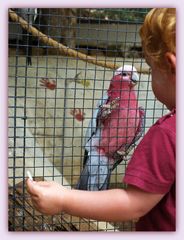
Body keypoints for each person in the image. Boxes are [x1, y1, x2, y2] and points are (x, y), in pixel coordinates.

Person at [26, 8, 176, 231]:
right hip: (98, 151)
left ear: (171, 65)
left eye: (150, 69)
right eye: (125, 75)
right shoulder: (109, 101)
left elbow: (134, 204)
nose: (135, 78)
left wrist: (64, 199)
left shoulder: (166, 131)